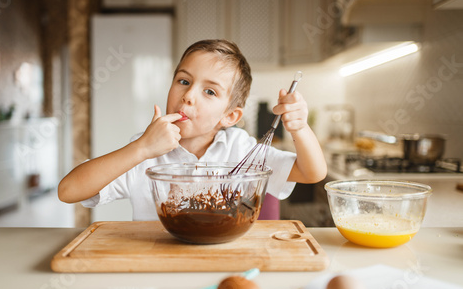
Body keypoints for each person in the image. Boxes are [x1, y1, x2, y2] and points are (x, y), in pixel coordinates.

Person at [58, 39, 327, 220]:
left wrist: (300, 128)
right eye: (184, 81)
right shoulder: (144, 152)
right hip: (158, 267)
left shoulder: (240, 149)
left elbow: (311, 172)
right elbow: (68, 190)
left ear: (229, 116)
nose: (188, 96)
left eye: (209, 91)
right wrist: (140, 149)